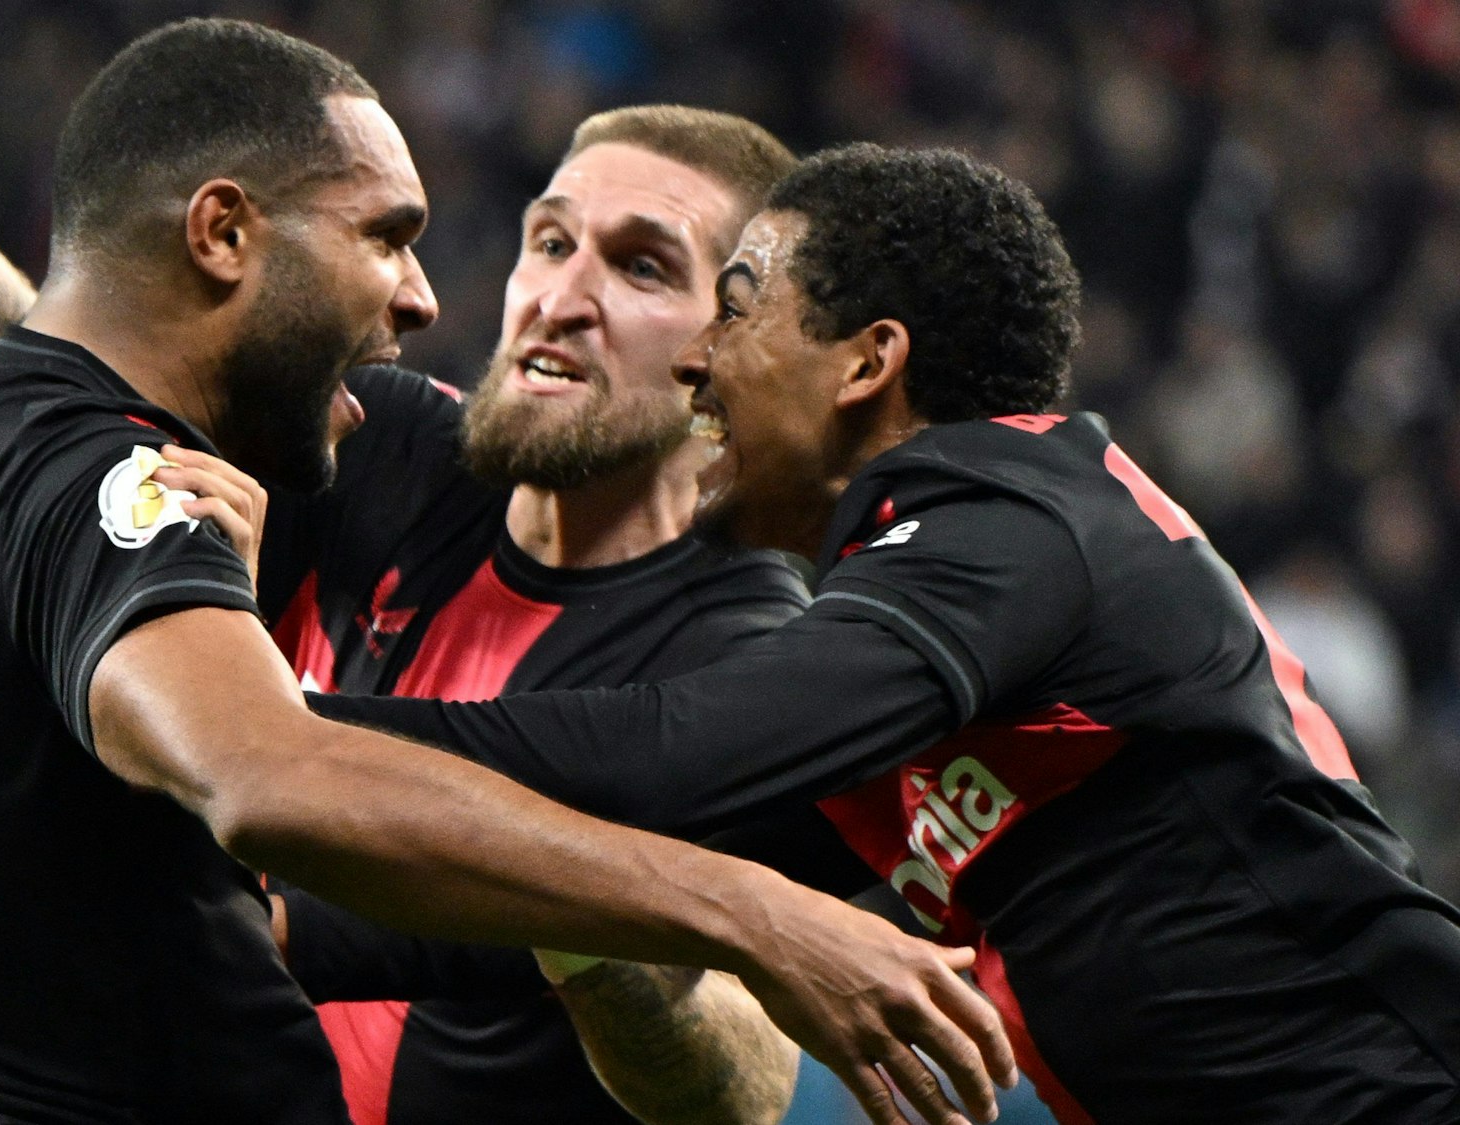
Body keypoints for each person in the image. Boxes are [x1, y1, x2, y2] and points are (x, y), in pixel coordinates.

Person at [0, 22, 1015, 1125]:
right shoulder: (386, 456)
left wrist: (580, 901)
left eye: (639, 267)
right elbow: (78, 372)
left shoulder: (749, 664)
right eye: (548, 239)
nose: (552, 295)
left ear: (729, 350)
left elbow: (740, 1096)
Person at [300, 145, 1460, 1122]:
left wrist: (281, 736)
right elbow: (605, 891)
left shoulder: (1021, 513)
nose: (699, 357)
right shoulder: (924, 632)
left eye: (740, 302)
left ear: (867, 360)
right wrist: (260, 911)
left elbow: (676, 753)